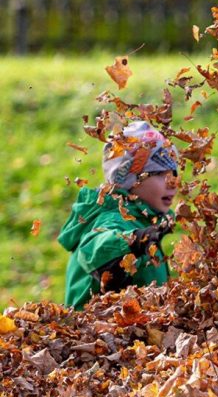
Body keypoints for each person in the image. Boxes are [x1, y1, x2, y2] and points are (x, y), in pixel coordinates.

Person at [59, 121, 179, 310]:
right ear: (129, 180)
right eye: (159, 174)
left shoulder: (143, 220)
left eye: (174, 173)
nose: (173, 183)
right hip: (93, 334)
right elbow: (98, 246)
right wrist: (134, 241)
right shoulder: (114, 218)